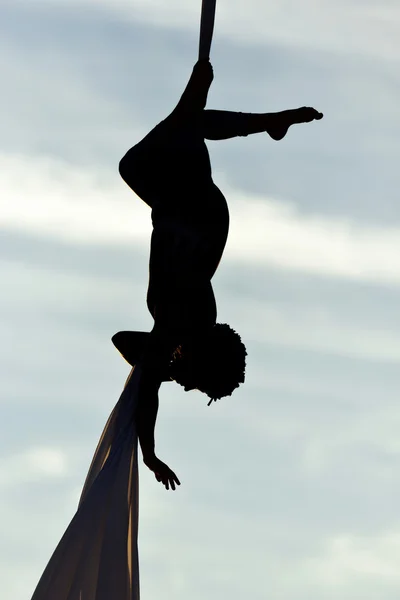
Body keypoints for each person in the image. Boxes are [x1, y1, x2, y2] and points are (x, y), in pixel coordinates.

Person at [117, 58, 323, 492]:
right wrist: (149, 452)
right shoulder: (178, 323)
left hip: (198, 219)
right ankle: (242, 110)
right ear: (198, 360)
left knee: (180, 133)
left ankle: (249, 114)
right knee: (162, 144)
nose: (189, 389)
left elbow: (131, 350)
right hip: (192, 219)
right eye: (196, 385)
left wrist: (164, 367)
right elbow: (143, 380)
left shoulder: (183, 327)